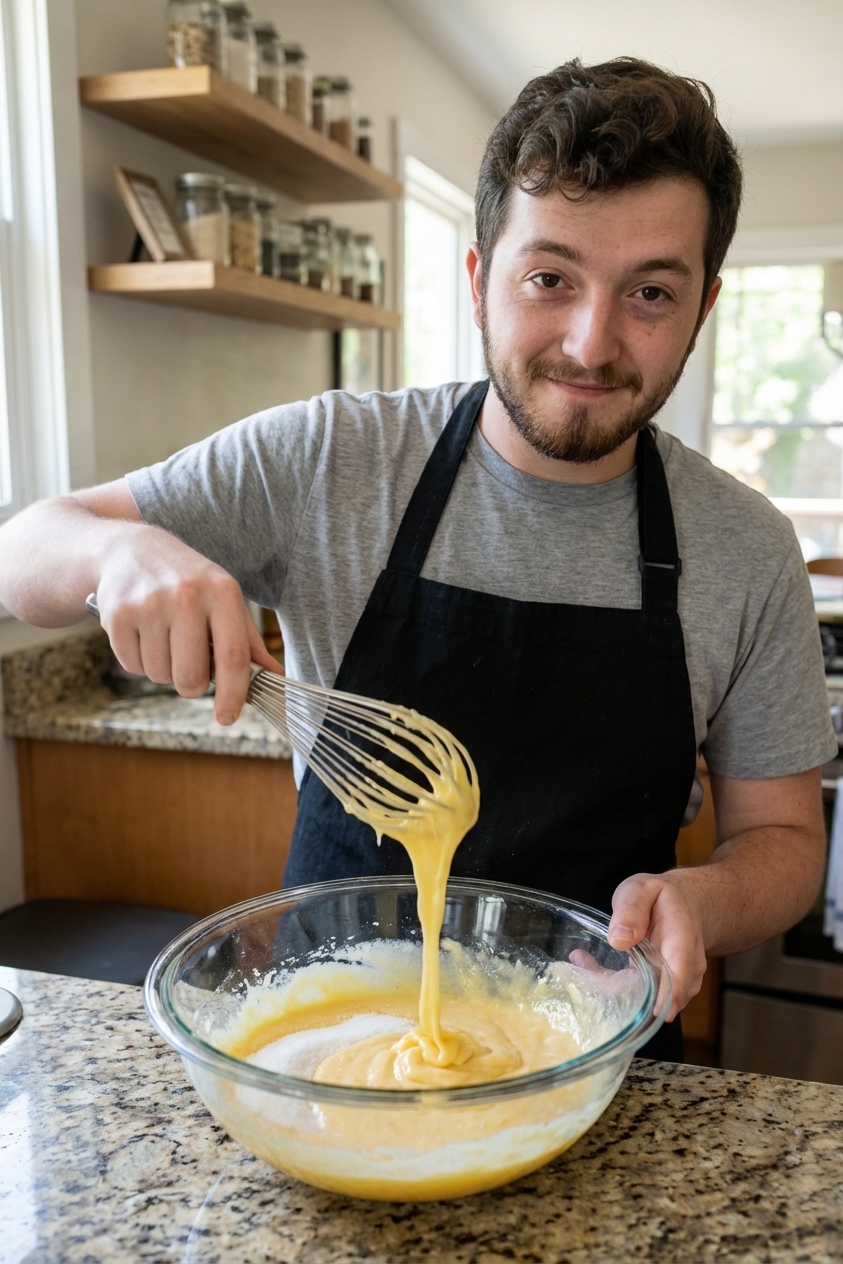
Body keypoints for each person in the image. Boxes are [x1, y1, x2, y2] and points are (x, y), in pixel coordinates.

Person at [0, 58, 835, 1060]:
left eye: (650, 292)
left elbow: (785, 842)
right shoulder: (329, 460)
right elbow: (25, 548)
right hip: (330, 1044)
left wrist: (701, 897)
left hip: (601, 1056)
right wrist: (118, 550)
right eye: (550, 279)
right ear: (482, 280)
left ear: (702, 311)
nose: (590, 340)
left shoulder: (743, 545)